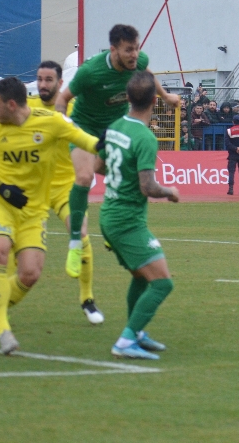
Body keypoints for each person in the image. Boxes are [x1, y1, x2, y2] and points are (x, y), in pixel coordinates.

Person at [0, 77, 100, 355]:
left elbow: (87, 141)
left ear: (12, 104)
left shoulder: (51, 122)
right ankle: (3, 330)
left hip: (33, 211)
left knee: (29, 274)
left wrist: (113, 147)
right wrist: (0, 187)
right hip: (0, 202)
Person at [54, 24, 180, 283]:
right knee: (85, 177)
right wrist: (62, 126)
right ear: (113, 50)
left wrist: (166, 96)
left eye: (136, 48)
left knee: (127, 177)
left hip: (114, 129)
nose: (135, 55)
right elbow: (62, 99)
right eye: (128, 50)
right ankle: (75, 244)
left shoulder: (139, 60)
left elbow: (146, 72)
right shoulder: (90, 71)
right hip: (84, 127)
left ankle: (113, 234)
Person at [95, 72, 179, 360]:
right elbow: (148, 187)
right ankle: (126, 341)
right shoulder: (145, 137)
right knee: (163, 283)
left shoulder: (116, 125)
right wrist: (170, 192)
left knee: (141, 276)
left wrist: (121, 177)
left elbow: (97, 166)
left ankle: (137, 332)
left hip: (109, 214)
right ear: (155, 101)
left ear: (128, 98)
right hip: (126, 221)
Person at [29, 61, 103, 325]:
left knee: (82, 234)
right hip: (32, 190)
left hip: (65, 188)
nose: (43, 84)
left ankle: (87, 299)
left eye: (49, 80)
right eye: (39, 79)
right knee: (10, 249)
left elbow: (91, 146)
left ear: (61, 84)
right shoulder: (26, 110)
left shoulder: (75, 111)